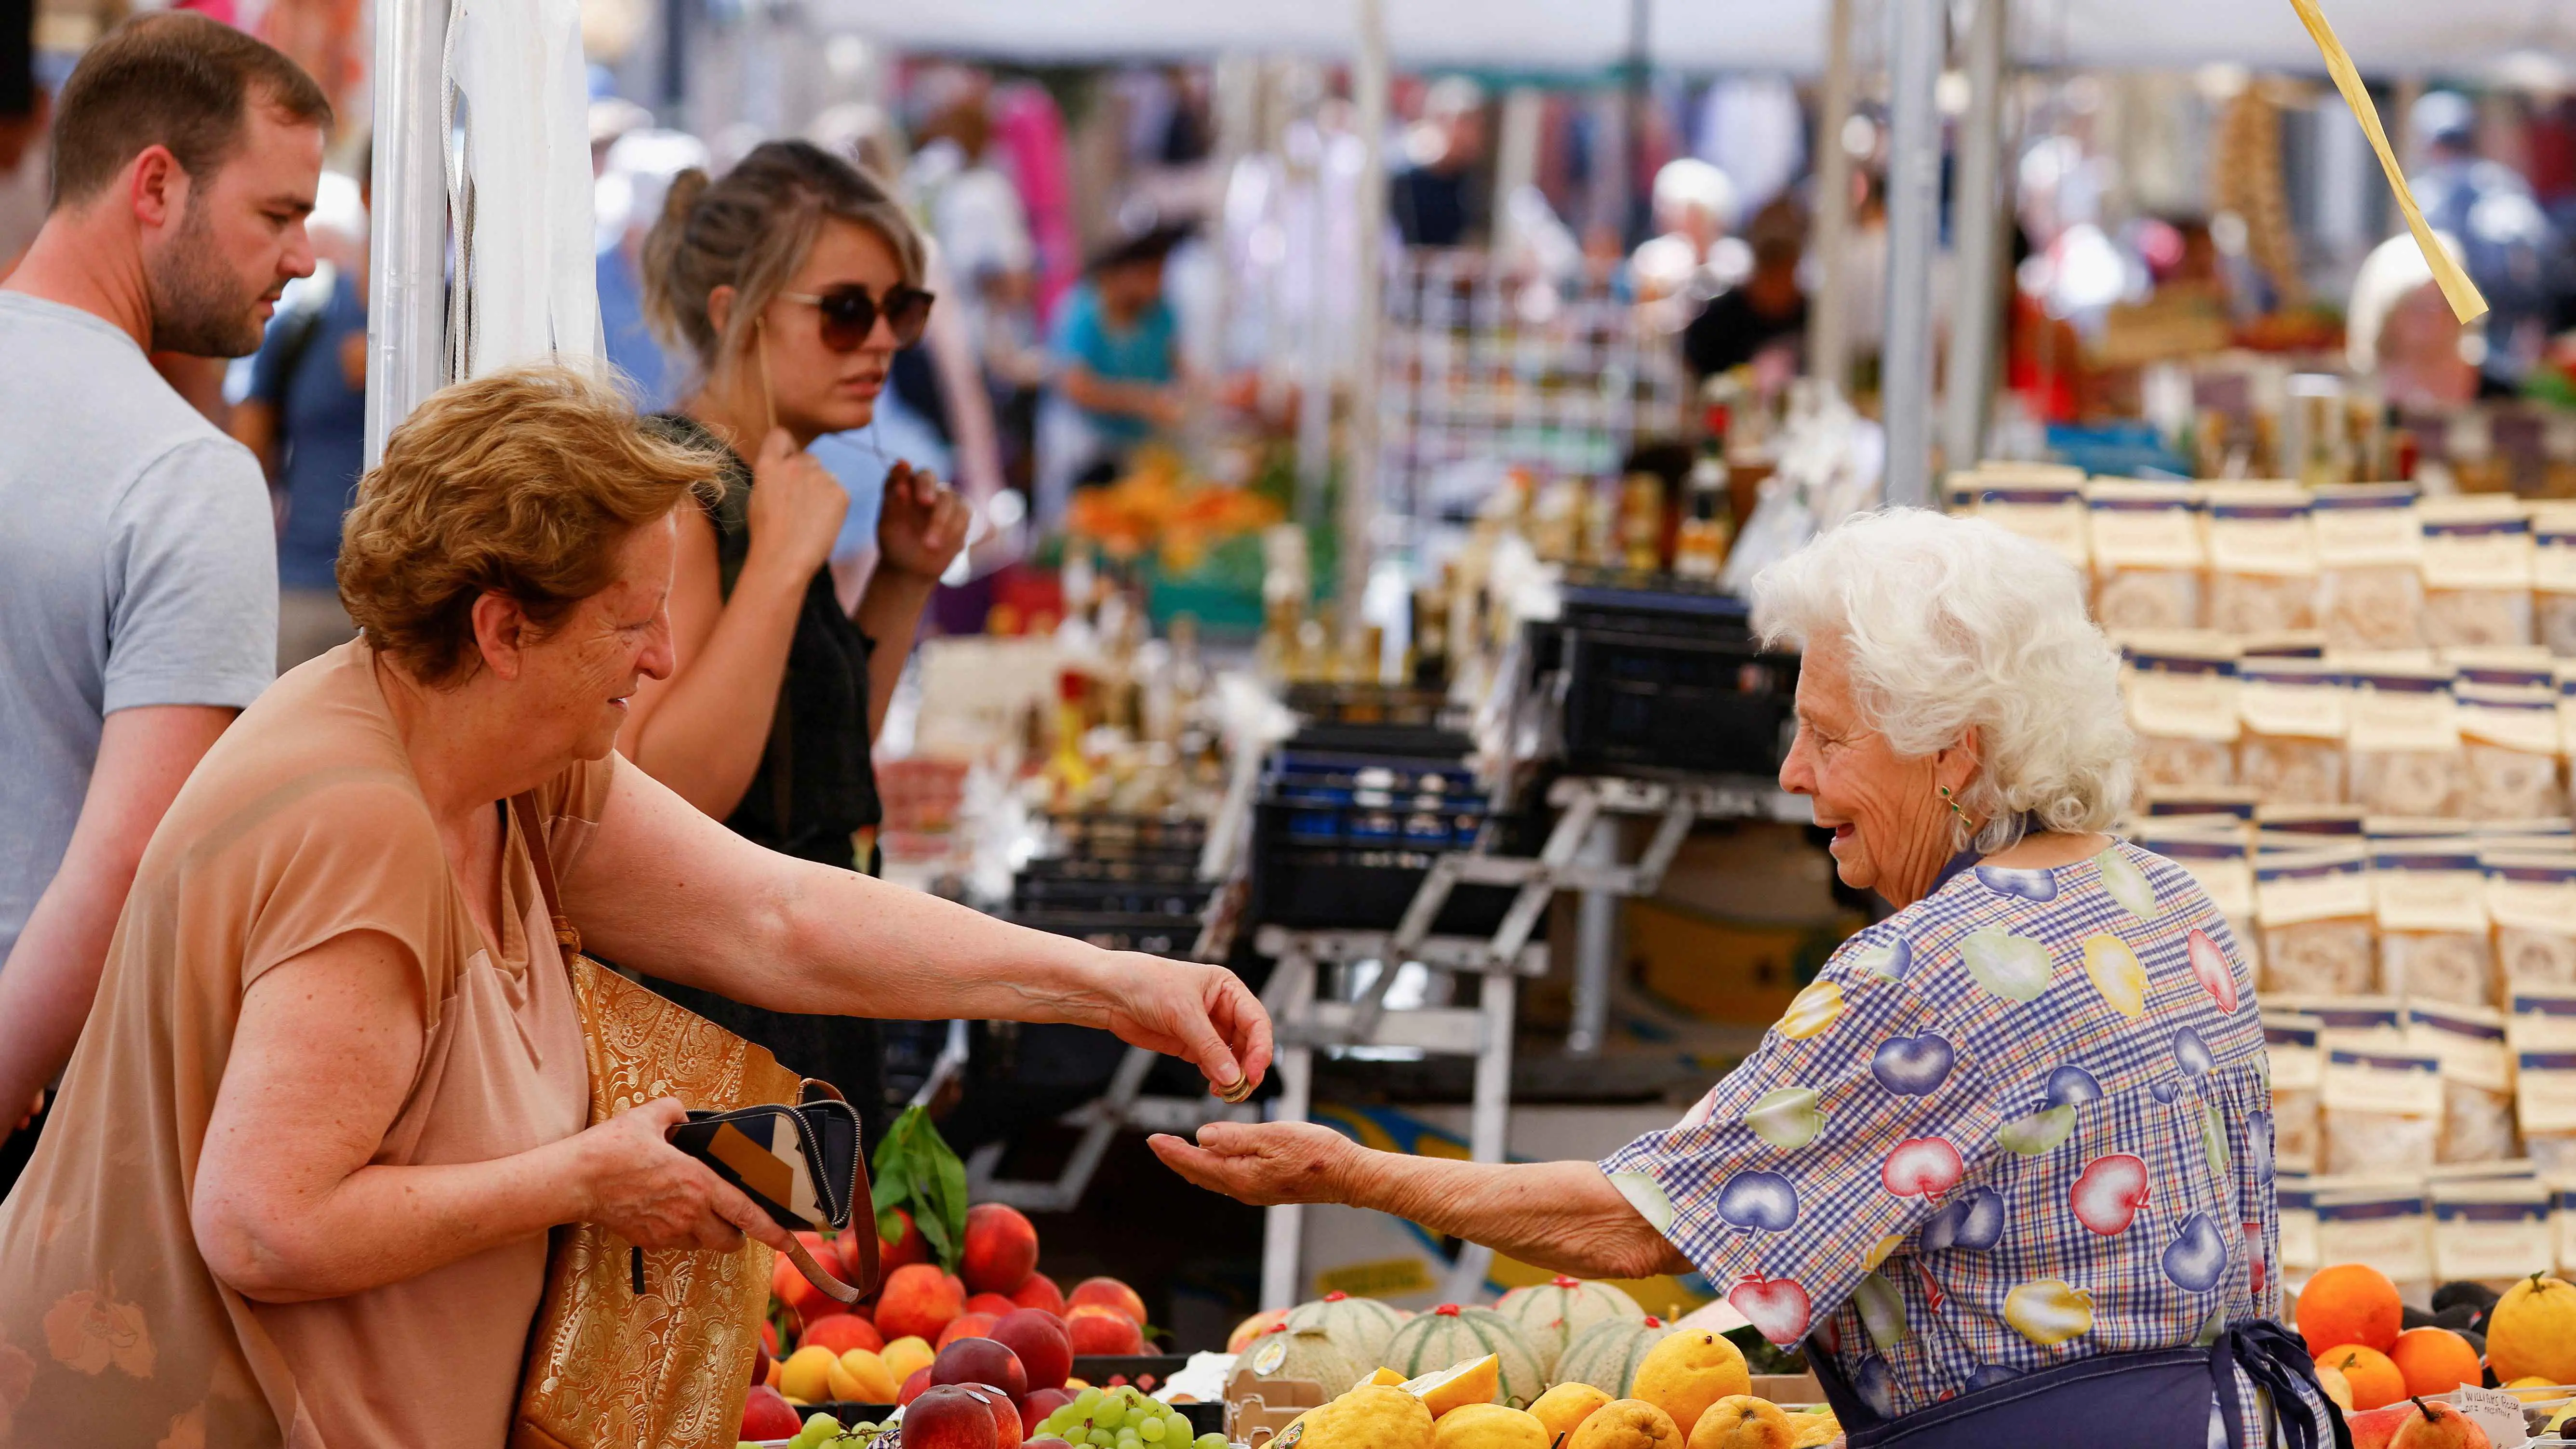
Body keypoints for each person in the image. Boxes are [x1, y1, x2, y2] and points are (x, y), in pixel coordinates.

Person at [0, 363, 1272, 1449]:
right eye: (630, 622)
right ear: (502, 628)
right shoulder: (360, 824)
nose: (661, 659)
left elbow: (774, 915)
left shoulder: (499, 763)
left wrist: (1115, 983)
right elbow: (265, 1224)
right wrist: (586, 1178)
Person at [1157, 509, 2327, 1449]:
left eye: (1826, 736)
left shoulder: (1924, 971)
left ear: (1950, 746)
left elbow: (1635, 1226)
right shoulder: (2168, 904)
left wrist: (1358, 1175)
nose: (1789, 772)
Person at [0, 13, 325, 1196]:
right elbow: (134, 860)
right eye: (277, 216)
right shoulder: (185, 474)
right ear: (155, 186)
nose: (301, 258)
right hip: (41, 1090)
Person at [624, 140, 968, 1141]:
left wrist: (899, 579)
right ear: (736, 314)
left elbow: (810, 760)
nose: (882, 342)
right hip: (717, 1026)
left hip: (794, 996)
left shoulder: (770, 482)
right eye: (846, 309)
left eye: (903, 310)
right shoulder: (677, 498)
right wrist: (778, 564)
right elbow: (666, 797)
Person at [231, 150, 369, 669]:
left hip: (415, 599)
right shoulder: (303, 319)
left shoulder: (461, 321)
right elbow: (249, 451)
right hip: (304, 586)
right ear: (370, 194)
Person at [1049, 221, 1187, 486]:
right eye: (1150, 274)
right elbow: (1077, 387)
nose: (1157, 286)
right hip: (1086, 447)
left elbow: (1178, 363)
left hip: (1136, 449)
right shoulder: (1083, 312)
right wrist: (1142, 402)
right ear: (1123, 272)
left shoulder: (1159, 314)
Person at [1682, 197, 1807, 381]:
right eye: (1771, 265)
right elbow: (1691, 384)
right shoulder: (1716, 323)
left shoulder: (1814, 319)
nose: (1776, 281)